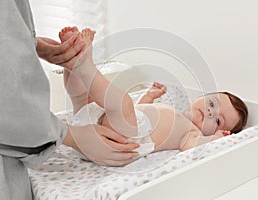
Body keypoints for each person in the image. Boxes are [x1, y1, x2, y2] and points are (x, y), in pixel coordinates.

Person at [0, 1, 139, 200]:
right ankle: (84, 69)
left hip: (98, 133)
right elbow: (5, 96)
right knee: (123, 105)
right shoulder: (184, 124)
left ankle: (76, 68)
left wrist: (33, 45)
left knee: (81, 100)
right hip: (125, 136)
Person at [59, 27, 248, 162]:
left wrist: (215, 140)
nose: (210, 112)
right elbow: (139, 110)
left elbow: (192, 146)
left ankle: (86, 68)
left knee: (122, 103)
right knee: (83, 100)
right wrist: (150, 96)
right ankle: (72, 63)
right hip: (91, 128)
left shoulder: (191, 131)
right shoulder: (175, 113)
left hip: (120, 141)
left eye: (217, 121)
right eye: (212, 104)